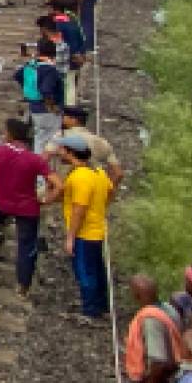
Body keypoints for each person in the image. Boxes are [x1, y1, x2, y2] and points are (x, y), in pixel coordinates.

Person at [0, 118, 58, 297]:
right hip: (28, 208)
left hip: (1, 202)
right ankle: (22, 287)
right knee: (27, 246)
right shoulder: (35, 159)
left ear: (10, 135)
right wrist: (47, 200)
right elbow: (59, 184)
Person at [57, 134, 113, 323]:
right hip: (97, 229)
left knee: (85, 271)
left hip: (84, 233)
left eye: (62, 149)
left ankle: (90, 311)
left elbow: (78, 210)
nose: (59, 152)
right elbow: (110, 192)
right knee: (97, 269)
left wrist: (70, 237)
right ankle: (101, 306)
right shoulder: (99, 172)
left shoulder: (80, 177)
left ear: (71, 152)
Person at [125, 274, 186, 383]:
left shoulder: (150, 320)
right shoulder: (169, 309)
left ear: (136, 295)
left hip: (162, 374)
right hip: (175, 365)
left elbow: (158, 359)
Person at [16, 42, 65, 153]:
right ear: (54, 54)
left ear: (38, 51)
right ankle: (43, 167)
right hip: (48, 112)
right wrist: (52, 106)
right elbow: (46, 90)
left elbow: (17, 75)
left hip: (34, 108)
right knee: (52, 141)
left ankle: (38, 164)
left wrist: (28, 87)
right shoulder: (50, 70)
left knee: (40, 138)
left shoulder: (31, 65)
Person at [58, 105, 122, 185]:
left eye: (64, 116)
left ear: (74, 120)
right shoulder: (102, 142)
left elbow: (45, 158)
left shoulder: (62, 137)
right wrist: (108, 191)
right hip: (95, 188)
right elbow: (118, 173)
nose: (62, 119)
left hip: (69, 190)